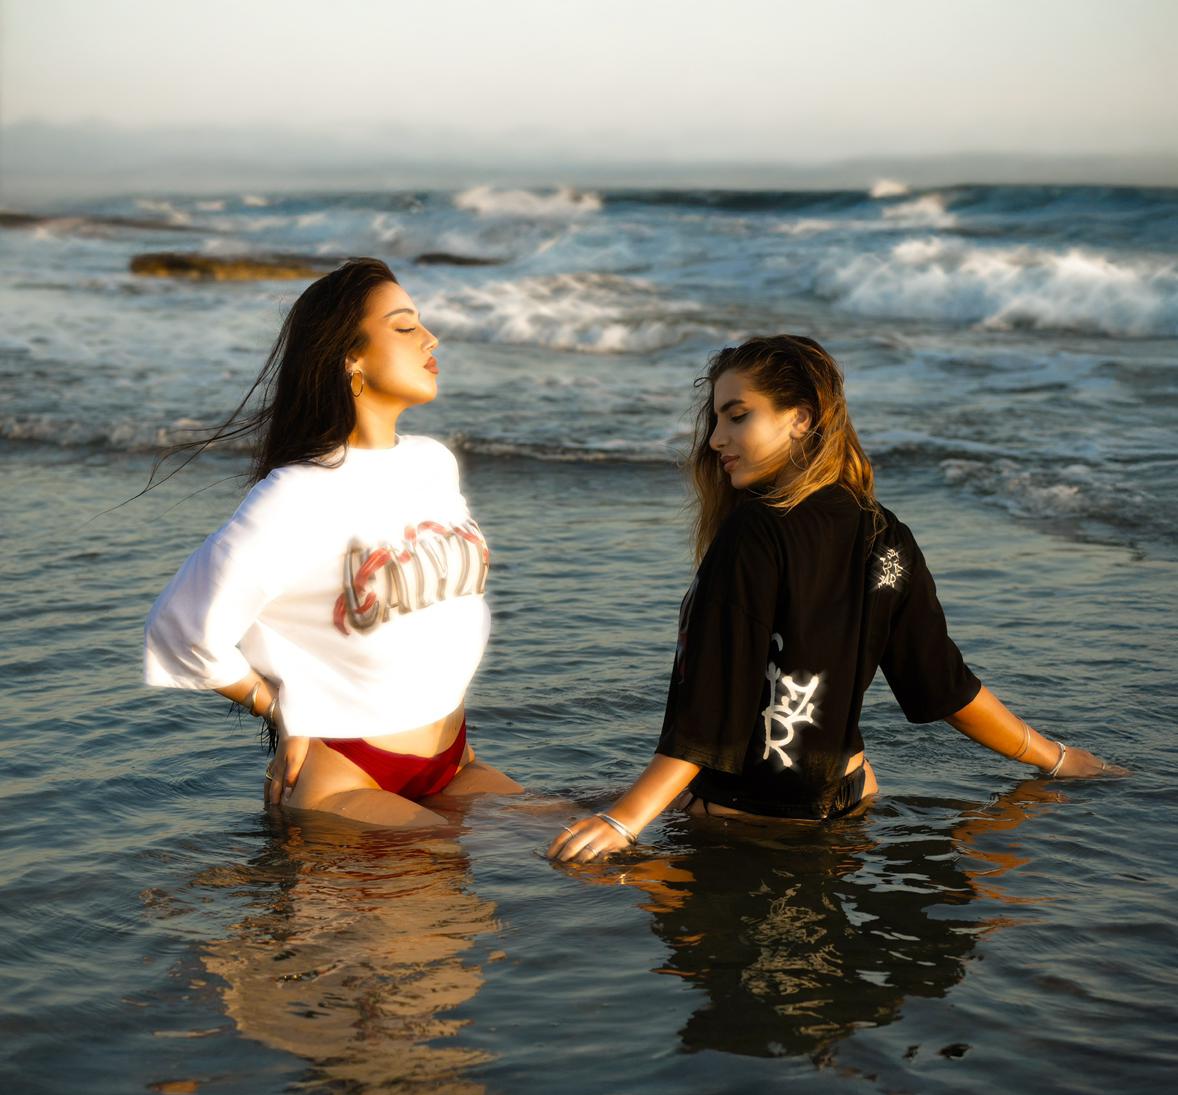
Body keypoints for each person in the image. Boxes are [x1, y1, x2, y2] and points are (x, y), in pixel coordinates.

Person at [548, 335, 1124, 862]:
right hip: (851, 804)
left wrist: (622, 821)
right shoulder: (883, 530)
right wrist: (1054, 758)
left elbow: (712, 716)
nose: (716, 439)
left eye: (737, 416)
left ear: (801, 418)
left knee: (507, 818)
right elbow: (942, 684)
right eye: (715, 419)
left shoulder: (753, 533)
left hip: (746, 821)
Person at [145, 257, 519, 828]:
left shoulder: (432, 463)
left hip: (453, 758)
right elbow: (180, 629)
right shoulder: (296, 494)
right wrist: (283, 713)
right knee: (446, 895)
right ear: (349, 357)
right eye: (404, 326)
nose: (430, 337)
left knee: (605, 860)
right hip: (348, 772)